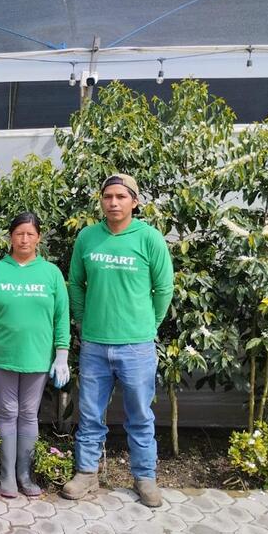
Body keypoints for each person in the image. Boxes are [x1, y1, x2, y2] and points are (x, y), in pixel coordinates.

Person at [62, 173, 174, 508]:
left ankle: (144, 478)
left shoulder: (149, 239)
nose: (113, 203)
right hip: (95, 343)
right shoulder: (88, 238)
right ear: (101, 200)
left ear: (134, 201)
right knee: (90, 413)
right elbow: (76, 284)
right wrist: (83, 320)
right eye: (108, 196)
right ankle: (86, 473)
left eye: (121, 197)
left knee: (139, 415)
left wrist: (147, 324)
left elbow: (164, 288)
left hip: (136, 345)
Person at [0, 212, 70, 498]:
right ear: (10, 237)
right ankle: (6, 476)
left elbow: (61, 318)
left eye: (30, 233)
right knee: (7, 412)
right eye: (19, 233)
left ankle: (25, 475)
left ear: (38, 237)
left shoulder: (51, 273)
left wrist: (61, 355)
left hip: (38, 358)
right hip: (2, 356)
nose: (24, 239)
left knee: (28, 414)